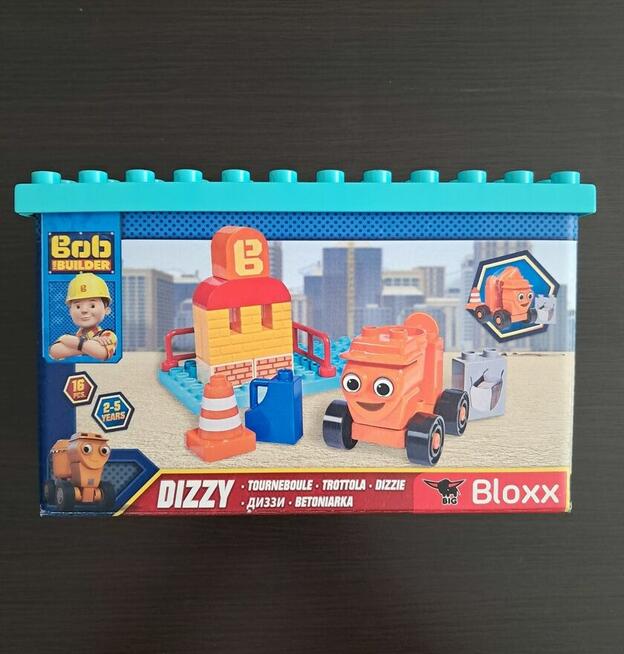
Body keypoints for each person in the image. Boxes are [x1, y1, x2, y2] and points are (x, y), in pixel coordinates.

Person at [49, 273, 117, 361]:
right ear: (70, 311)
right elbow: (54, 352)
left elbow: (102, 353)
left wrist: (68, 340)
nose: (84, 310)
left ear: (106, 310)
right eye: (78, 307)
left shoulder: (107, 335)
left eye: (92, 306)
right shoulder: (72, 335)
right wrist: (90, 345)